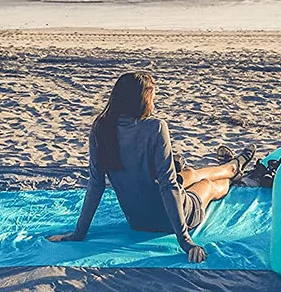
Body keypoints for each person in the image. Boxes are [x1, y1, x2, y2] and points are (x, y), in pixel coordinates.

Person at [47, 71, 256, 262]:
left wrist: (79, 233)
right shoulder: (155, 127)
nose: (153, 104)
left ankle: (232, 167)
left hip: (138, 221)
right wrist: (185, 240)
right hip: (169, 219)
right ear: (143, 100)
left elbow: (96, 184)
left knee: (190, 173)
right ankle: (232, 174)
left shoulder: (100, 128)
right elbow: (168, 185)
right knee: (208, 185)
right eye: (152, 98)